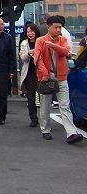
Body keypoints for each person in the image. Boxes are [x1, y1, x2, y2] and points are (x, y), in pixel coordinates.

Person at [34, 15, 84, 144]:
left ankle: (71, 133)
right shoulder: (40, 40)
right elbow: (37, 59)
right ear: (48, 27)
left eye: (60, 27)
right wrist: (44, 73)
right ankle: (45, 129)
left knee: (65, 105)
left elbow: (67, 52)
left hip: (61, 76)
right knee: (45, 105)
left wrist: (54, 46)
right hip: (46, 77)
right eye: (55, 27)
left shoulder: (63, 40)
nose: (58, 30)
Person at [19, 23, 40, 127]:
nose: (30, 33)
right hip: (29, 73)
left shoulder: (41, 41)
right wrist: (28, 53)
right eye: (28, 32)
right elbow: (22, 59)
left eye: (32, 31)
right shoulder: (24, 43)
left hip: (40, 73)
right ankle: (33, 118)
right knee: (31, 98)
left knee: (43, 96)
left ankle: (43, 118)